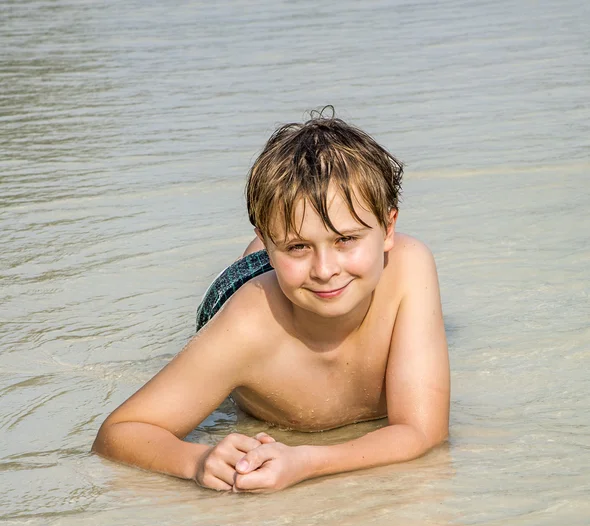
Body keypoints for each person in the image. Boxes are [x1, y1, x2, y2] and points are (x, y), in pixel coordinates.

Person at [92, 108, 450, 493]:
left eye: (346, 239)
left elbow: (421, 430)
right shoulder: (247, 328)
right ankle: (266, 253)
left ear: (389, 228)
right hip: (247, 291)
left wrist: (308, 460)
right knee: (264, 274)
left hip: (282, 276)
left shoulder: (409, 266)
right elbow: (118, 433)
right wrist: (197, 461)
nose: (326, 269)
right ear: (271, 243)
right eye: (297, 246)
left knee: (304, 245)